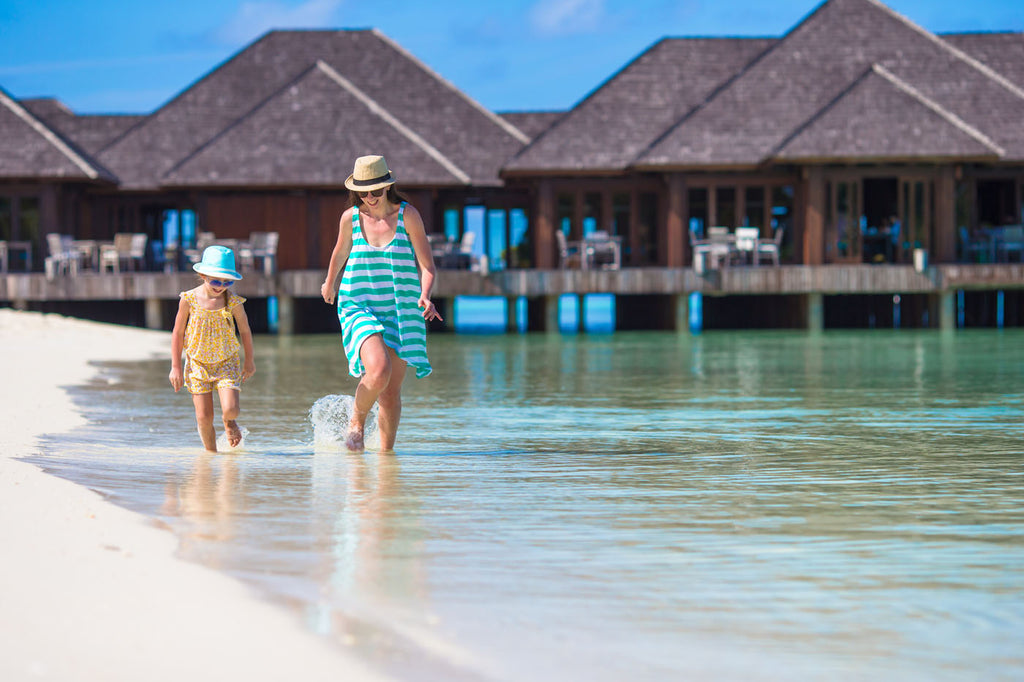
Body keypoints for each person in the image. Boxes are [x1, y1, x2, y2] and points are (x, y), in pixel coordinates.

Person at [321, 155, 443, 452]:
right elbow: (339, 253)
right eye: (363, 192)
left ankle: (387, 461)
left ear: (388, 187)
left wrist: (425, 295)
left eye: (375, 191)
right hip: (358, 303)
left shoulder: (407, 216)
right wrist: (329, 281)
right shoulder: (350, 217)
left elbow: (427, 266)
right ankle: (357, 421)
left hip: (401, 309)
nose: (370, 197)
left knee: (390, 395)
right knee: (378, 370)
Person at [169, 245, 255, 452]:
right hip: (197, 365)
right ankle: (211, 456)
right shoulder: (188, 300)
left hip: (226, 362)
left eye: (228, 282)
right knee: (204, 417)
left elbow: (245, 331)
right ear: (202, 275)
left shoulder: (233, 302)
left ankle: (229, 422)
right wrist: (176, 367)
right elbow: (178, 332)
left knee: (231, 409)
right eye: (216, 280)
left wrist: (249, 361)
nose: (221, 286)